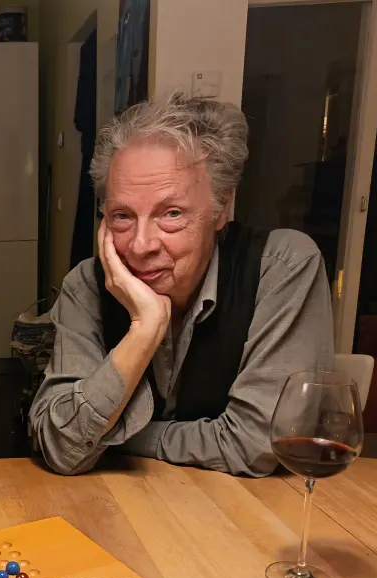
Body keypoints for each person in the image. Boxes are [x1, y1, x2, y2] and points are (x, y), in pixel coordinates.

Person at [30, 94, 334, 477]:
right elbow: (62, 448)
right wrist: (144, 331)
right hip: (121, 509)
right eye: (122, 216)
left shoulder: (283, 267)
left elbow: (257, 445)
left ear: (222, 207)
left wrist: (118, 437)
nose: (141, 246)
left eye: (171, 214)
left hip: (245, 514)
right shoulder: (86, 286)